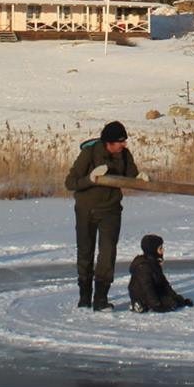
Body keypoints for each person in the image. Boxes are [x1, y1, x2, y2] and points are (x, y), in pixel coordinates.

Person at [64, 121, 141, 310]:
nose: (124, 145)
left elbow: (131, 176)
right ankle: (84, 297)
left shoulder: (124, 154)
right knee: (85, 252)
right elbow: (70, 182)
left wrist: (140, 179)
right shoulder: (89, 154)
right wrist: (90, 179)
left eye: (124, 141)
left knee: (107, 254)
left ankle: (100, 299)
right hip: (86, 209)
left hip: (111, 210)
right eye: (120, 142)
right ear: (108, 142)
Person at [127, 234, 194, 313]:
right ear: (153, 250)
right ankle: (139, 304)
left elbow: (164, 283)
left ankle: (154, 303)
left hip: (155, 291)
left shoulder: (154, 263)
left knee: (175, 300)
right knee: (170, 303)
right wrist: (156, 305)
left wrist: (179, 299)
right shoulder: (143, 266)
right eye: (160, 248)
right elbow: (147, 287)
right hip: (142, 294)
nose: (163, 250)